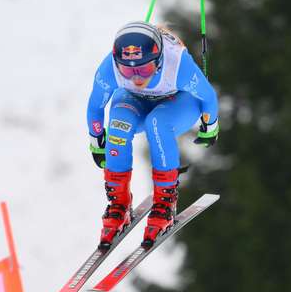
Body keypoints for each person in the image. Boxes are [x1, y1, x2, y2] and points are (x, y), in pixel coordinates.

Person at [86, 20, 219, 249]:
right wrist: (97, 142)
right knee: (118, 125)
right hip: (134, 100)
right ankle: (119, 204)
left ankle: (165, 203)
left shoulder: (177, 64)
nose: (137, 77)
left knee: (156, 124)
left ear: (158, 60)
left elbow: (207, 96)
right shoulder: (110, 68)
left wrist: (210, 126)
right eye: (127, 70)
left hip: (178, 101)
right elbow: (95, 106)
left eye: (144, 69)